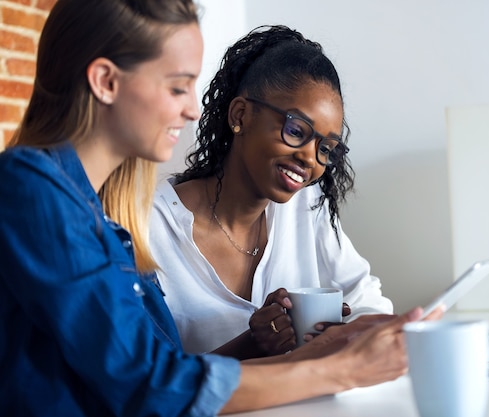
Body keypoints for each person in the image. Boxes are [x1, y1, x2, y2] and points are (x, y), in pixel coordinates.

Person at [0, 1, 442, 416]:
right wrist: (340, 369)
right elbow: (152, 386)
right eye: (177, 87)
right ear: (106, 81)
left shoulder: (99, 216)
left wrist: (313, 352)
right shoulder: (30, 187)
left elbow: (169, 372)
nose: (193, 110)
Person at [150, 25, 394, 359]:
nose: (309, 158)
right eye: (296, 130)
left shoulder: (308, 207)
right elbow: (150, 383)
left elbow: (372, 304)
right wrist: (250, 344)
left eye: (326, 148)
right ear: (240, 115)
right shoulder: (149, 228)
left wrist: (344, 330)